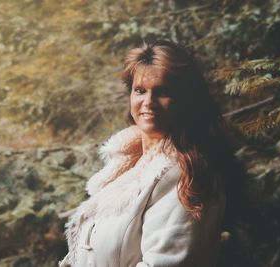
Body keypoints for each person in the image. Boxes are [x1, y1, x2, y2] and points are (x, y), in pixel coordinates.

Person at [59, 40, 241, 267]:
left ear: (185, 100)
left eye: (163, 92)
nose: (148, 102)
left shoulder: (187, 174)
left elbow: (165, 263)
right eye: (140, 90)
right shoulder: (127, 165)